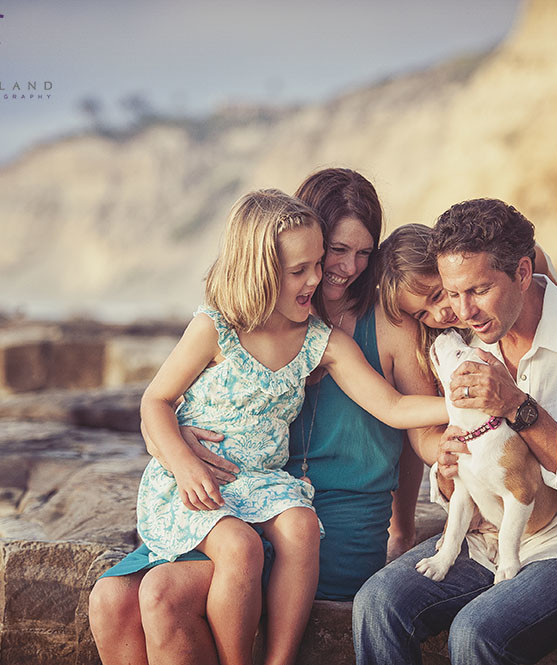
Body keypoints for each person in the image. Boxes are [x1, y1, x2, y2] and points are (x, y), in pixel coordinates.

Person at [90, 189, 446, 665]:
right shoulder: (220, 325)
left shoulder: (325, 338)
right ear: (262, 269)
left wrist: (468, 405)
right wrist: (178, 450)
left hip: (268, 497)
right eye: (323, 258)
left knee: (167, 590)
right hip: (204, 491)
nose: (330, 273)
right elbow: (155, 400)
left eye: (360, 254)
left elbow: (397, 409)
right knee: (109, 600)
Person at [353, 199, 557, 665]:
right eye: (452, 294)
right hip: (489, 541)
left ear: (521, 271)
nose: (463, 311)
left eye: (478, 290)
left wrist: (515, 404)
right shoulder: (468, 346)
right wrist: (450, 465)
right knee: (377, 603)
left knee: (478, 632)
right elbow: (468, 468)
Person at [377, 222, 557, 379]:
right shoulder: (449, 350)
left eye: (437, 296)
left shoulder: (506, 292)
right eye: (422, 314)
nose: (440, 316)